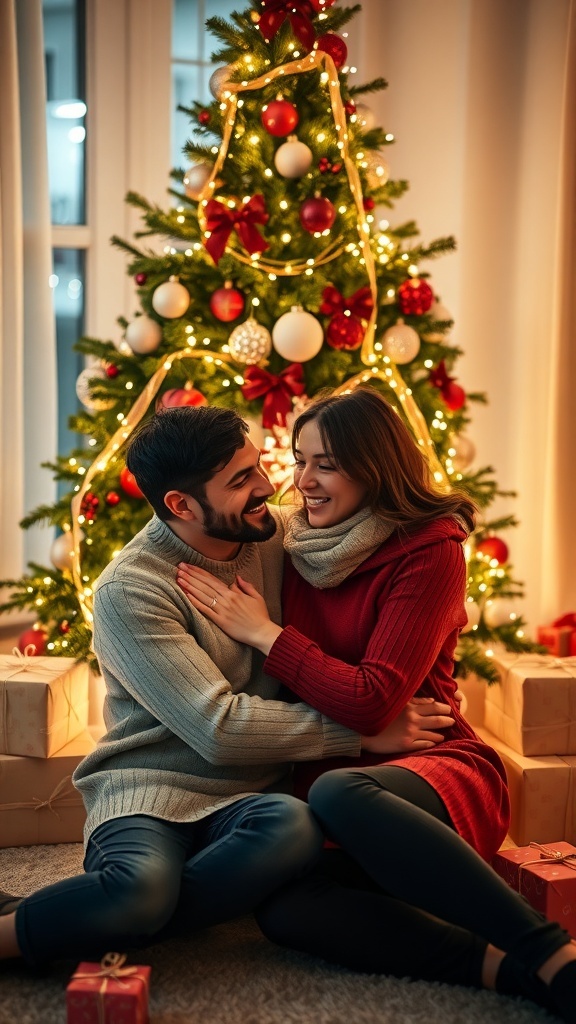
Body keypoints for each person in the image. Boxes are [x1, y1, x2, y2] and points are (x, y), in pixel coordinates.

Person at [0, 404, 452, 968]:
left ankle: (100, 917)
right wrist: (358, 733)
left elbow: (367, 529)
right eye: (241, 480)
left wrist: (439, 531)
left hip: (252, 797)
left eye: (259, 464)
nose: (270, 486)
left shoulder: (274, 535)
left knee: (294, 828)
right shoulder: (130, 589)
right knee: (140, 890)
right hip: (151, 790)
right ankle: (45, 925)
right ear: (181, 504)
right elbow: (216, 729)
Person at [176, 386, 576, 1023]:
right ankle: (501, 970)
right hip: (334, 769)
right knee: (285, 911)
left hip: (432, 763)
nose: (302, 481)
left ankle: (553, 956)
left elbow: (373, 700)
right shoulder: (289, 543)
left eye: (326, 464)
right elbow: (190, 519)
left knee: (340, 793)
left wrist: (265, 634)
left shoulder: (429, 549)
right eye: (299, 460)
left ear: (375, 466)